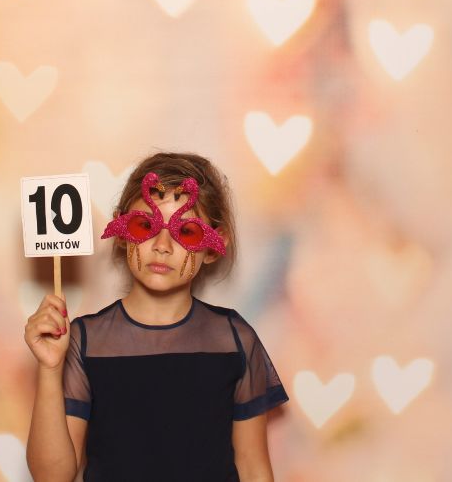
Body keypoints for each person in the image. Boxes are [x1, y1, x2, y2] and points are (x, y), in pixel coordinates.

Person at [24, 151, 289, 481]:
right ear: (122, 230)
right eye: (145, 225)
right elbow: (52, 477)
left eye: (186, 231)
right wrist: (50, 369)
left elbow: (254, 469)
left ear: (213, 245)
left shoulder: (235, 339)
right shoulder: (84, 341)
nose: (162, 245)